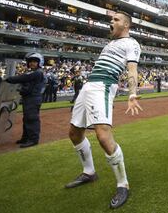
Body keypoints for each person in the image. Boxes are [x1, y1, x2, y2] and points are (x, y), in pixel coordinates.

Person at [65, 11, 142, 209]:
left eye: (116, 19)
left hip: (104, 85)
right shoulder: (109, 44)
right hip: (89, 86)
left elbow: (132, 69)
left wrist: (132, 93)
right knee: (74, 133)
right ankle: (89, 172)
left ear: (126, 25)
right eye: (111, 19)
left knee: (103, 135)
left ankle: (123, 184)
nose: (111, 21)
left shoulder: (131, 43)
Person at [6, 53, 45, 148]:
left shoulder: (37, 72)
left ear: (39, 63)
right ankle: (26, 137)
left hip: (33, 99)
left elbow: (22, 78)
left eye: (35, 61)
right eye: (30, 61)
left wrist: (8, 79)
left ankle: (33, 139)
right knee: (27, 118)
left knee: (32, 119)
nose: (32, 63)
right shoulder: (33, 72)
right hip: (29, 98)